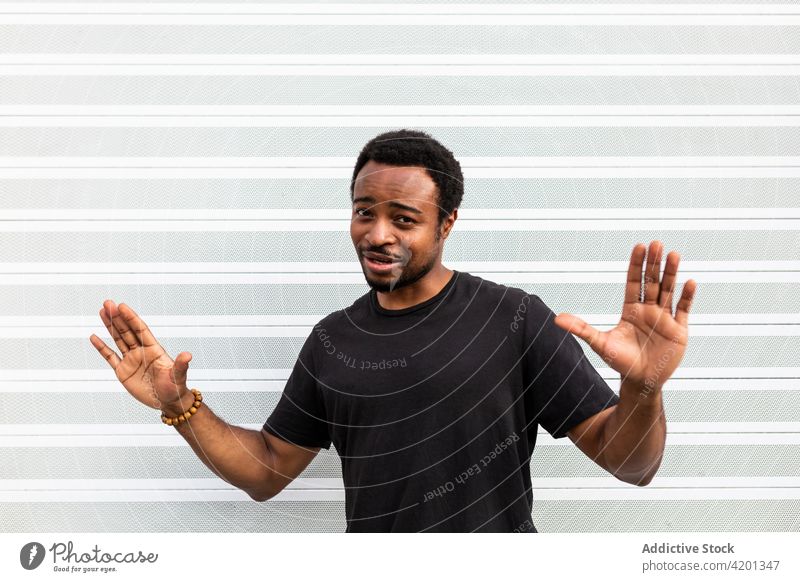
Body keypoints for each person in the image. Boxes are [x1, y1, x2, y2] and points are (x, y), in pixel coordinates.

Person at [89, 129, 697, 532]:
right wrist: (181, 406)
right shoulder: (332, 340)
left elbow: (632, 466)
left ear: (447, 223)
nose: (377, 234)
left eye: (403, 219)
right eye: (364, 212)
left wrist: (643, 388)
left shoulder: (514, 319)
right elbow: (267, 471)